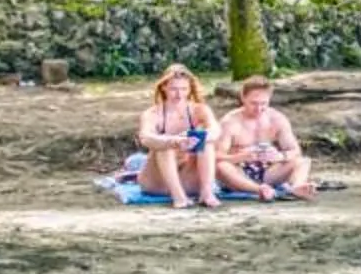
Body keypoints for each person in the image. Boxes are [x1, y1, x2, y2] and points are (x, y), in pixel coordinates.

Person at [216, 75, 317, 200]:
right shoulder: (230, 122)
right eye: (253, 103)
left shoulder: (277, 119)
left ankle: (296, 187)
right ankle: (259, 189)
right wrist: (241, 157)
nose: (259, 109)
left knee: (303, 161)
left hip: (268, 170)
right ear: (243, 97)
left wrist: (280, 156)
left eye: (263, 103)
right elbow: (216, 156)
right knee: (221, 167)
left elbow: (295, 151)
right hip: (239, 170)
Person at [136, 65, 221, 210]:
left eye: (184, 89)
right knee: (164, 145)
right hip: (158, 182)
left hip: (188, 178)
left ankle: (206, 193)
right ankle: (178, 197)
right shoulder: (152, 113)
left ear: (190, 89)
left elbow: (216, 131)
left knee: (206, 141)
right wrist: (174, 141)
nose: (179, 94)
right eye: (174, 89)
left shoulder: (200, 110)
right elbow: (145, 137)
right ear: (163, 87)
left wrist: (194, 138)